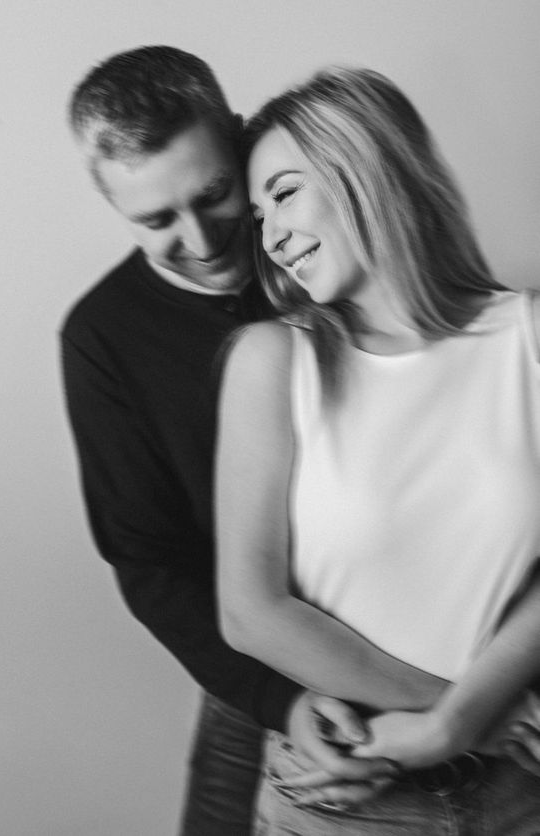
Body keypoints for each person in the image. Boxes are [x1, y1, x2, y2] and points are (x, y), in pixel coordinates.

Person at [62, 47, 455, 834]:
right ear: (110, 201)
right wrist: (285, 698)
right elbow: (149, 561)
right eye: (156, 220)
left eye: (212, 196)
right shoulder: (103, 338)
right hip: (262, 679)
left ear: (240, 141)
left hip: (441, 641)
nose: (202, 239)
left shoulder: (341, 262)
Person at [216, 66, 540, 833]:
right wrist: (460, 719)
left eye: (285, 193)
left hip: (515, 797)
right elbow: (250, 611)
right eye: (260, 215)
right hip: (347, 790)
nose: (272, 236)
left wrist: (460, 727)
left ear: (364, 163)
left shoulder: (526, 338)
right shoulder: (269, 361)